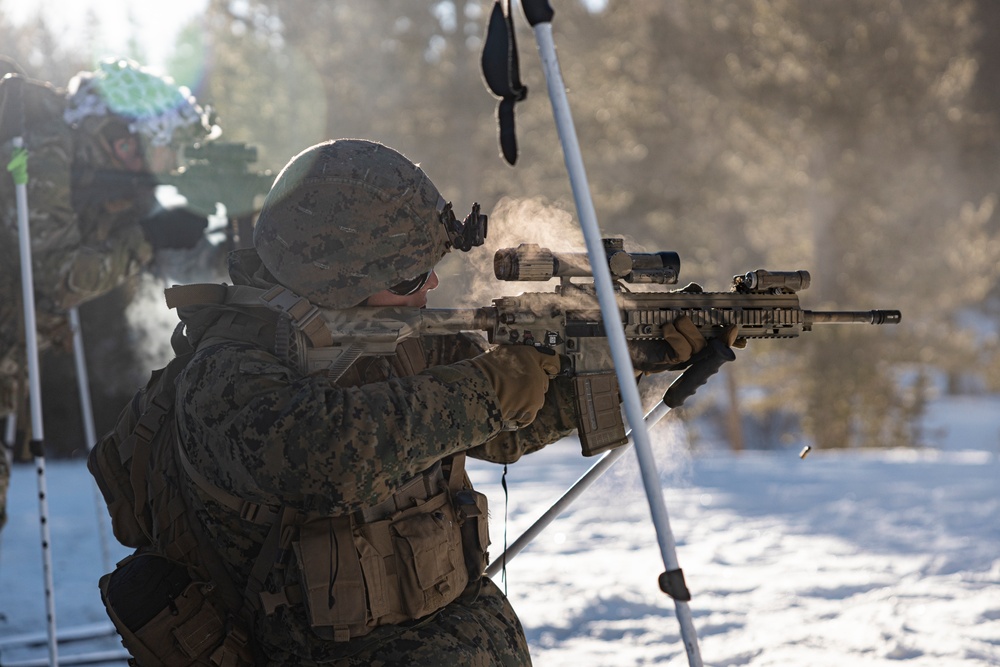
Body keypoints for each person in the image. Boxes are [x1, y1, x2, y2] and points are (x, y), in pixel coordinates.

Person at [125, 139, 710, 666]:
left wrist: (632, 358)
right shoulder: (227, 371)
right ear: (334, 279)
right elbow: (328, 457)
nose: (429, 287)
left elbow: (504, 431)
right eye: (408, 278)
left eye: (428, 271)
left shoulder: (391, 340)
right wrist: (500, 380)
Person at [0, 57, 217, 530]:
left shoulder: (106, 175)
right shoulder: (47, 150)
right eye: (158, 148)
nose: (163, 164)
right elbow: (59, 276)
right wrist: (145, 236)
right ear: (122, 141)